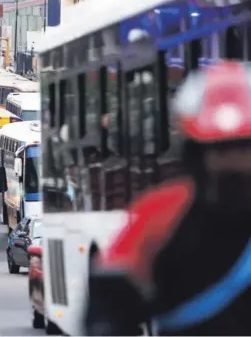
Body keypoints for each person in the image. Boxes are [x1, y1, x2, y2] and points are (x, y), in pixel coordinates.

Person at [84, 61, 251, 336]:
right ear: (197, 154)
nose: (232, 162)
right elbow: (108, 307)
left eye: (243, 149)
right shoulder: (159, 214)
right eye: (219, 150)